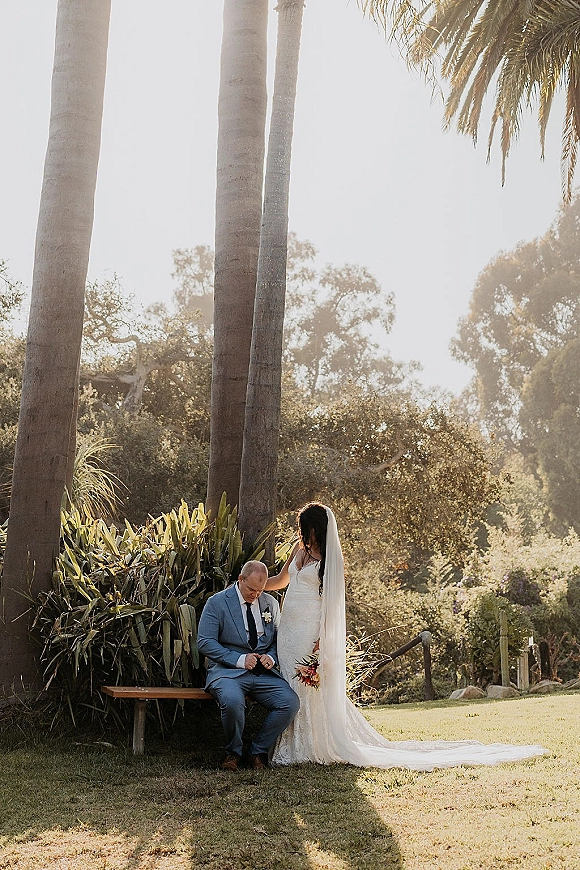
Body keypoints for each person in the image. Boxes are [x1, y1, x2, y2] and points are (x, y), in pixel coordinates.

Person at [266, 503, 547, 770]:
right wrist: (250, 585)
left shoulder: (329, 558)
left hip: (310, 628)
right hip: (289, 626)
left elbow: (331, 603)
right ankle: (286, 738)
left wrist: (320, 639)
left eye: (306, 528)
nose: (303, 534)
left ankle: (306, 744)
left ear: (317, 528)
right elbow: (281, 580)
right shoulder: (298, 549)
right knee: (288, 678)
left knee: (306, 683)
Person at [197, 560, 300, 771]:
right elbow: (205, 642)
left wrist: (271, 658)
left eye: (260, 591)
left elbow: (276, 641)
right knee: (233, 701)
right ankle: (233, 753)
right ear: (240, 579)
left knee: (289, 702)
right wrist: (239, 659)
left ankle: (256, 750)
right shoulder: (217, 603)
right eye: (251, 589)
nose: (255, 595)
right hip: (227, 672)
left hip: (263, 673)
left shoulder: (270, 603)